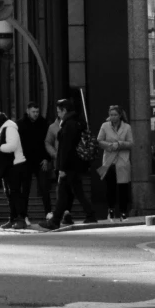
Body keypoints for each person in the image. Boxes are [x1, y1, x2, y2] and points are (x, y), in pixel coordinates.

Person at [49, 92, 94, 228]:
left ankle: (55, 220)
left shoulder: (69, 125)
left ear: (65, 110)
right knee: (75, 192)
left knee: (64, 193)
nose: (58, 114)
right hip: (74, 165)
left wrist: (61, 168)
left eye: (59, 111)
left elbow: (65, 148)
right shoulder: (76, 122)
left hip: (68, 166)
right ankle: (90, 215)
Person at [96, 103, 135, 220]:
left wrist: (119, 144)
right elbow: (99, 140)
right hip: (109, 160)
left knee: (123, 187)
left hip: (122, 160)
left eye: (115, 115)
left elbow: (131, 143)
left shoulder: (127, 127)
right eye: (111, 114)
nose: (112, 117)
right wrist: (109, 145)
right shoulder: (105, 126)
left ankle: (123, 211)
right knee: (110, 187)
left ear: (120, 115)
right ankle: (111, 210)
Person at [0, 108, 29, 227]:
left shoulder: (9, 129)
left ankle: (20, 219)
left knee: (15, 194)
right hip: (10, 167)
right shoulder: (6, 130)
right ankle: (13, 218)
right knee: (11, 194)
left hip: (15, 166)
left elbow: (11, 146)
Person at [18, 102, 51, 223]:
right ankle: (24, 215)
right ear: (28, 111)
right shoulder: (20, 124)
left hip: (40, 161)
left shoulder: (44, 123)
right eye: (33, 112)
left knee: (44, 188)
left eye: (37, 112)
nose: (36, 114)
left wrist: (47, 158)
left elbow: (48, 142)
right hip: (25, 161)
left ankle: (48, 213)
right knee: (25, 190)